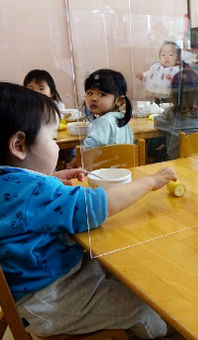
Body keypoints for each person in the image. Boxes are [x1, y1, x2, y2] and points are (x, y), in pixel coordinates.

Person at [0, 82, 178, 338]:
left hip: (31, 293)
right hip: (53, 299)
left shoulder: (14, 184)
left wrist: (52, 177)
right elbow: (96, 205)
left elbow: (22, 196)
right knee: (142, 306)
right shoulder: (38, 192)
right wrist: (149, 181)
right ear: (19, 145)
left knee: (121, 275)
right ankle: (161, 333)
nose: (57, 145)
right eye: (52, 138)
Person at [154, 68, 198, 160]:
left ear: (174, 95)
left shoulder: (170, 115)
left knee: (153, 146)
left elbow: (156, 122)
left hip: (177, 165)